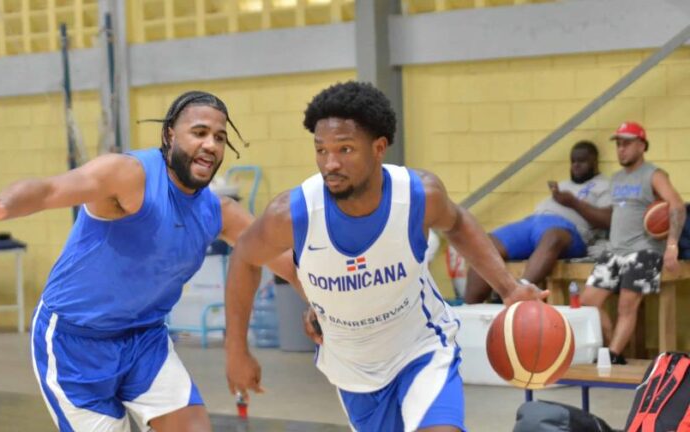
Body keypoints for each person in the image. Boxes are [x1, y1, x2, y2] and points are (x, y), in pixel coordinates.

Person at [0, 91, 296, 432]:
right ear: (170, 135)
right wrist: (3, 206)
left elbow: (287, 263)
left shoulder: (217, 212)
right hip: (75, 344)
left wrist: (319, 309)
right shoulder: (128, 176)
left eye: (219, 138)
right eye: (200, 133)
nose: (211, 145)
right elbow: (49, 190)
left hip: (144, 340)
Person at [223, 81, 548, 432]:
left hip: (421, 347)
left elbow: (457, 223)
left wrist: (509, 288)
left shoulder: (419, 195)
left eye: (345, 149)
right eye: (321, 150)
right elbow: (245, 258)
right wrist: (236, 349)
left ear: (379, 148)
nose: (330, 163)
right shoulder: (291, 213)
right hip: (353, 369)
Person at [581, 121, 685, 365]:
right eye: (618, 144)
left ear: (641, 145)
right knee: (587, 302)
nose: (621, 149)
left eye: (626, 144)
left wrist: (672, 245)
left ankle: (614, 355)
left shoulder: (654, 174)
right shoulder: (616, 179)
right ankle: (609, 346)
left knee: (627, 305)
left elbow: (677, 206)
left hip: (643, 251)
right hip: (614, 250)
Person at [465, 141, 612, 304]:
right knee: (487, 242)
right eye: (573, 161)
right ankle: (469, 307)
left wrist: (573, 203)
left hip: (568, 231)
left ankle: (517, 293)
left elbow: (608, 220)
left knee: (553, 236)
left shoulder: (604, 185)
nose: (576, 165)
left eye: (582, 161)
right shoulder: (564, 184)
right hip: (534, 222)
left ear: (595, 162)